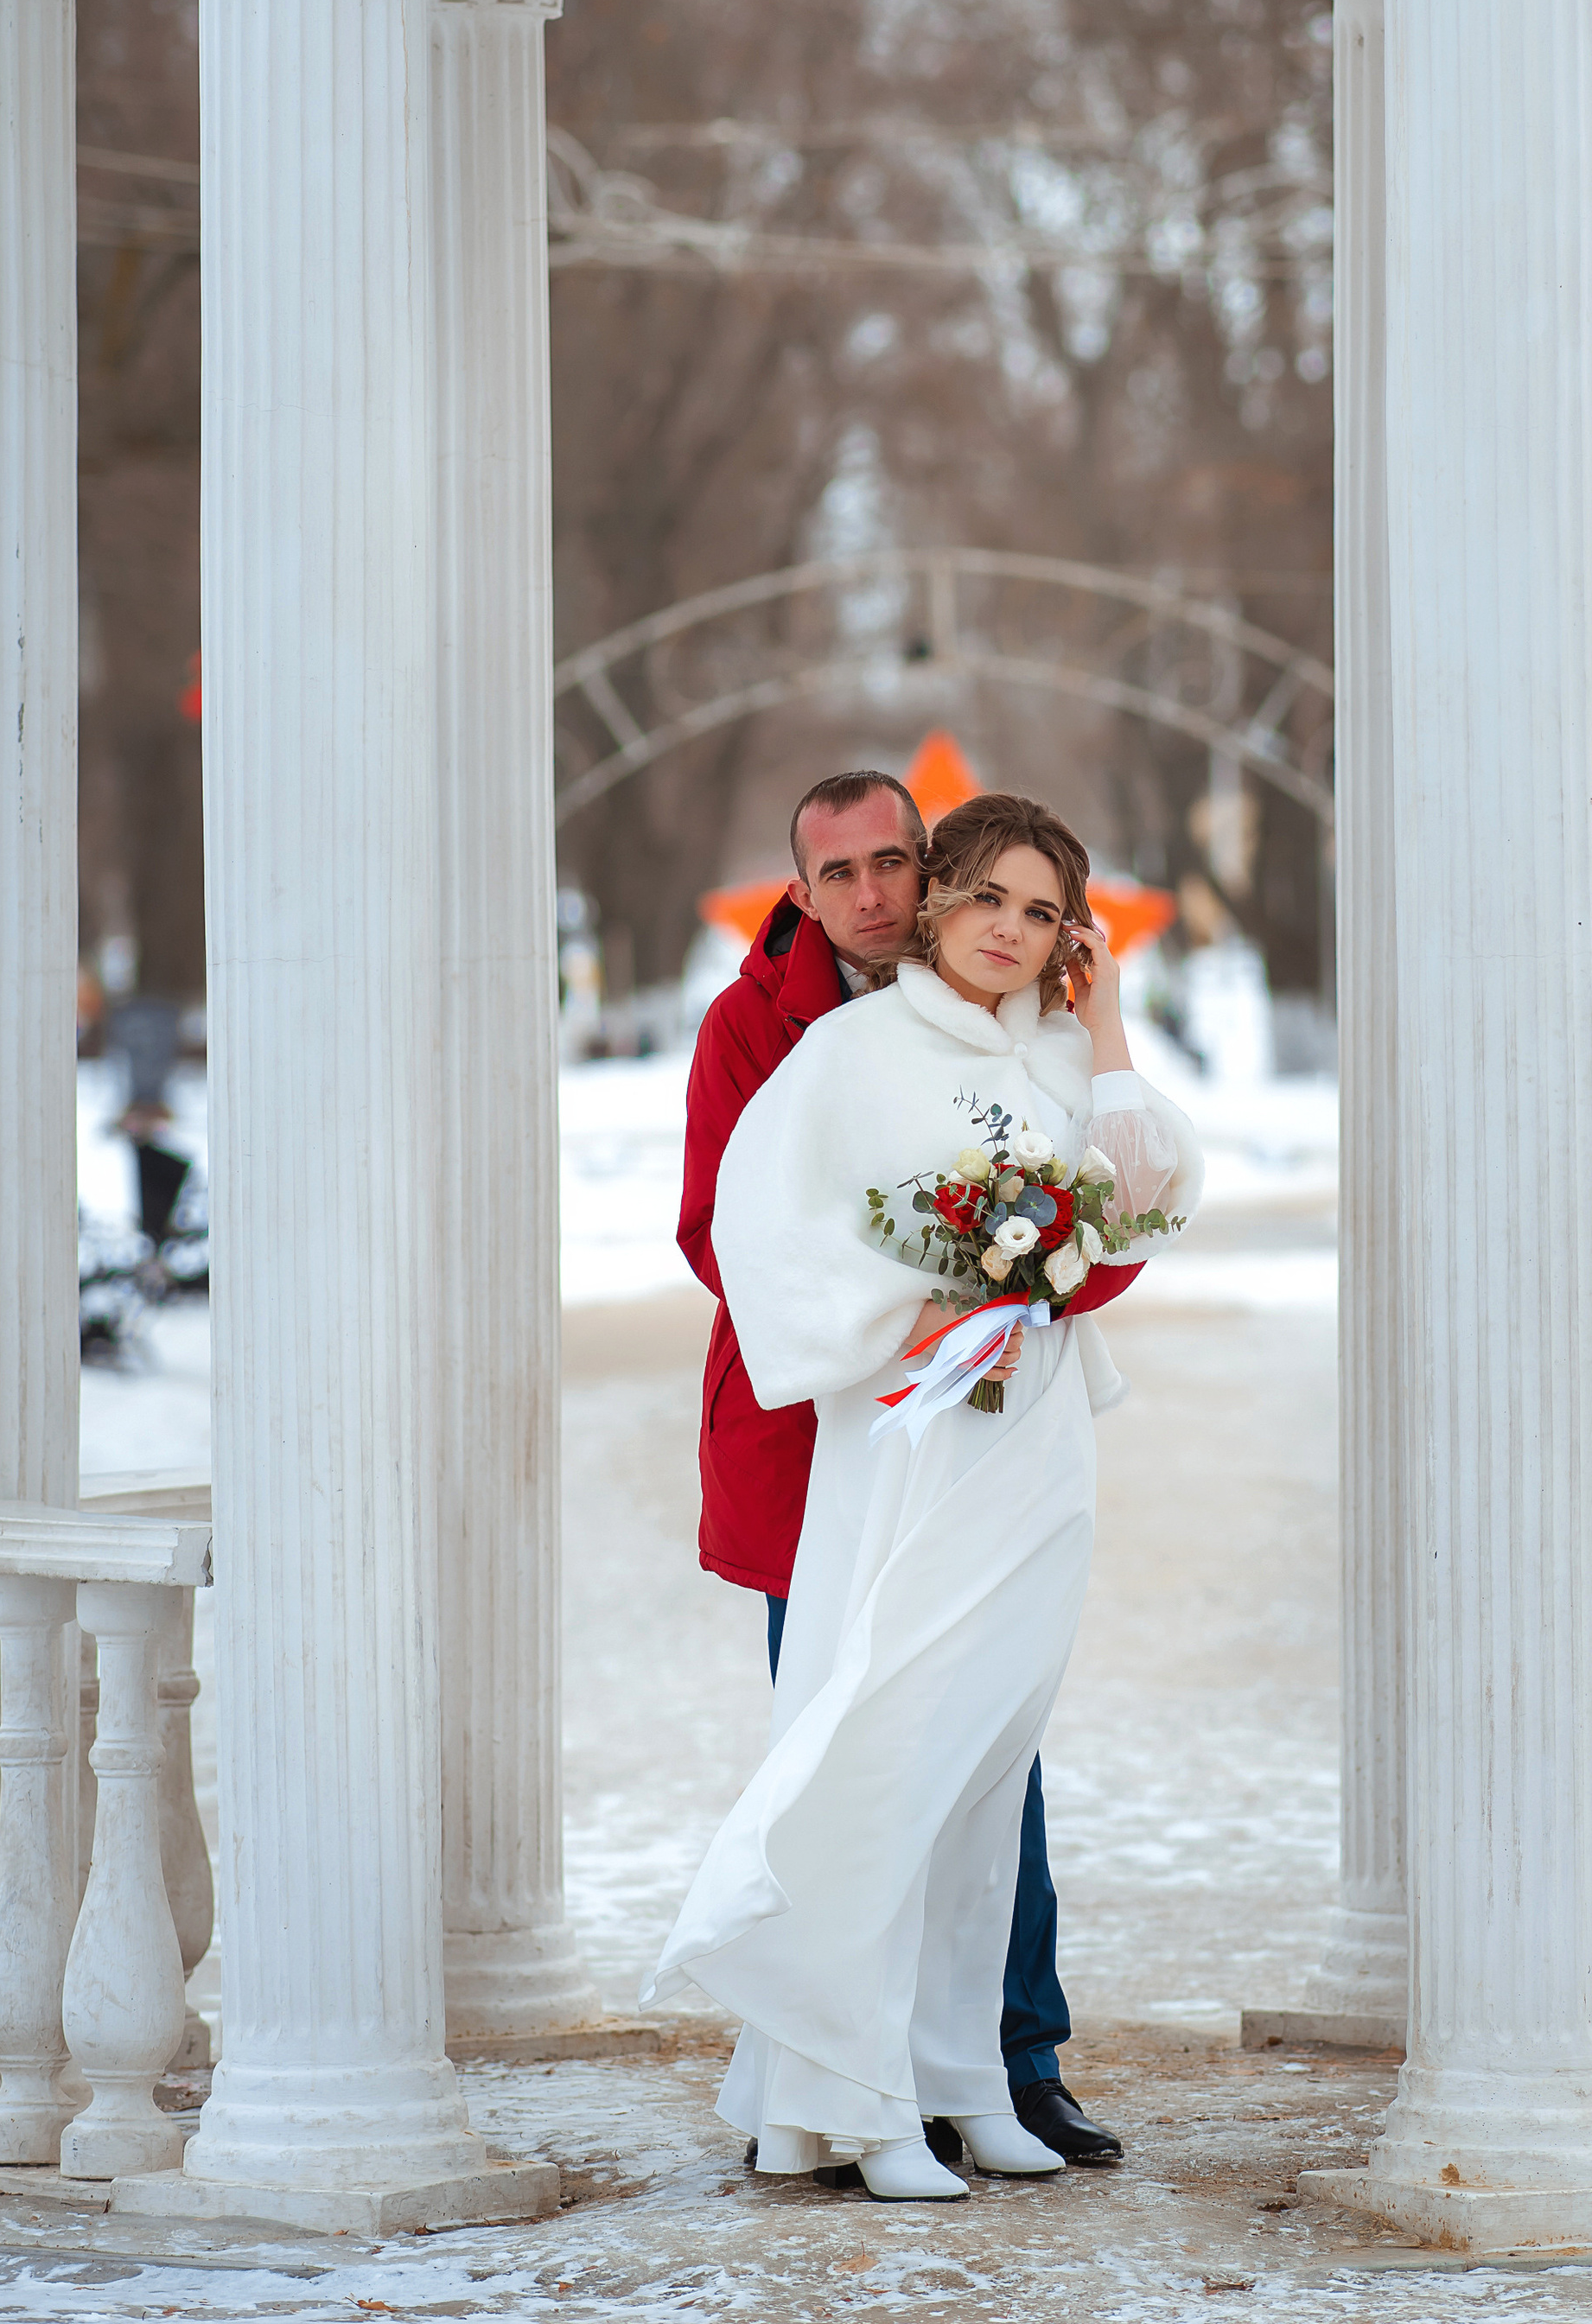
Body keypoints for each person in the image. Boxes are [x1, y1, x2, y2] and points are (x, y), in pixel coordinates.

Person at [648, 794, 1201, 2200]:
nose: (1010, 929)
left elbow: (1142, 1194)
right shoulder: (847, 1049)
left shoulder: (1061, 1050)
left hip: (1032, 1454)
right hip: (903, 1448)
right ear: (943, 899)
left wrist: (1108, 1023)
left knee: (986, 1771)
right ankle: (856, 2097)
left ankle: (969, 2078)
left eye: (1042, 911)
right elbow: (757, 1227)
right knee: (881, 1760)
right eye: (990, 899)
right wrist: (907, 1316)